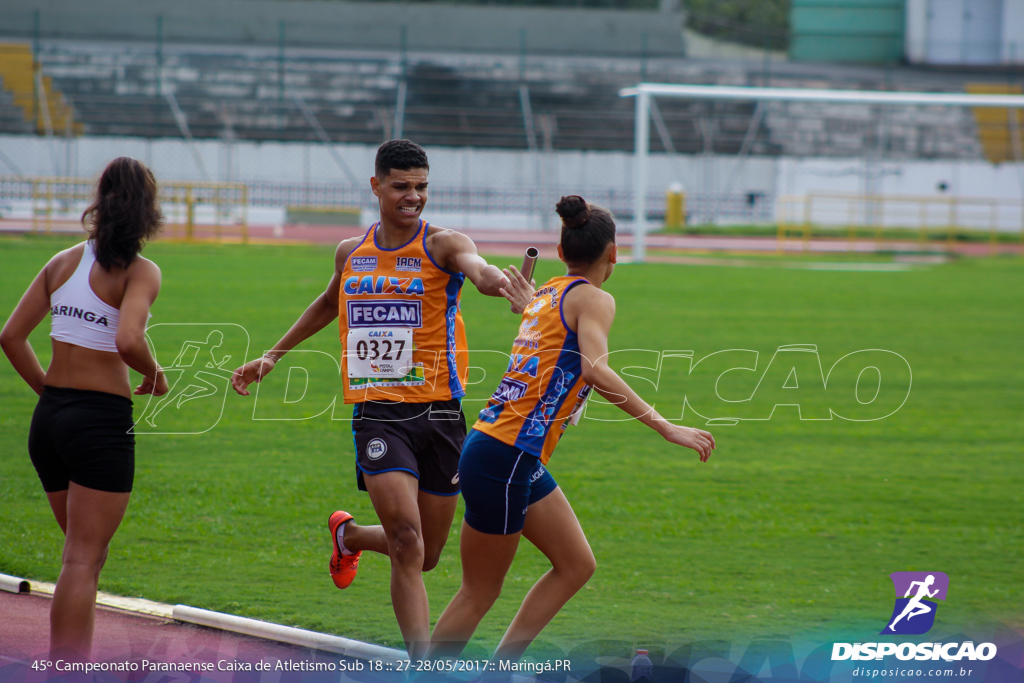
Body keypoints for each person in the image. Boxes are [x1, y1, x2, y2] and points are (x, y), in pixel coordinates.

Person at [230, 139, 533, 659]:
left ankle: (348, 537)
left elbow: (478, 269)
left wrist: (501, 284)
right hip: (378, 417)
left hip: (441, 416)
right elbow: (329, 301)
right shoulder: (352, 252)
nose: (413, 196)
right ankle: (419, 665)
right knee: (407, 543)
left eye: (421, 187)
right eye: (401, 186)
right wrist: (273, 356)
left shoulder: (442, 244)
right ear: (376, 186)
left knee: (428, 554)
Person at [428, 195, 716, 664]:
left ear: (561, 253)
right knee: (478, 592)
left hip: (504, 451)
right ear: (614, 253)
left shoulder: (547, 295)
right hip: (507, 454)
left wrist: (528, 306)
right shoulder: (596, 299)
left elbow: (553, 351)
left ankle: (501, 668)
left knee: (576, 564)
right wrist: (665, 427)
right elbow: (595, 370)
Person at [0, 157, 168, 660]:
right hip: (98, 424)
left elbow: (10, 336)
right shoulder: (141, 271)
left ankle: (70, 664)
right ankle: (67, 671)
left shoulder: (61, 262)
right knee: (81, 560)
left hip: (50, 420)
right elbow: (129, 338)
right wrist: (154, 374)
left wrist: (50, 394)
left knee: (83, 556)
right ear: (147, 212)